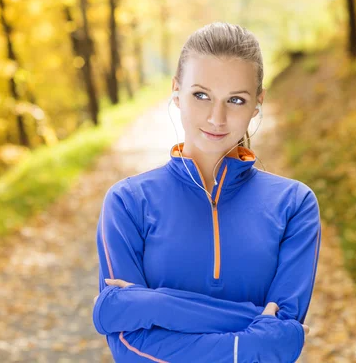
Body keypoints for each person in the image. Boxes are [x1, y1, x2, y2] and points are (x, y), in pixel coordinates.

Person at [92, 22, 321, 363]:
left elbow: (284, 342)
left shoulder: (295, 205)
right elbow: (128, 347)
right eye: (201, 95)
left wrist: (152, 304)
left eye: (236, 100)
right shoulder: (128, 202)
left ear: (257, 104)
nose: (217, 117)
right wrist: (252, 328)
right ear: (176, 92)